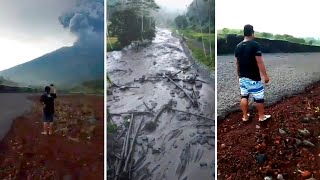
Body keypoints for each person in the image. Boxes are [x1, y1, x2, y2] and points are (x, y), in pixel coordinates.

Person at [234, 24, 271, 122]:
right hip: (253, 77)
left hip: (242, 77)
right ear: (252, 33)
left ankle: (245, 117)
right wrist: (265, 76)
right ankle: (261, 117)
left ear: (244, 33)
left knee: (244, 96)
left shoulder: (238, 46)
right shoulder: (255, 45)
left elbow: (237, 63)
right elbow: (259, 62)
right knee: (258, 98)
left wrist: (238, 75)